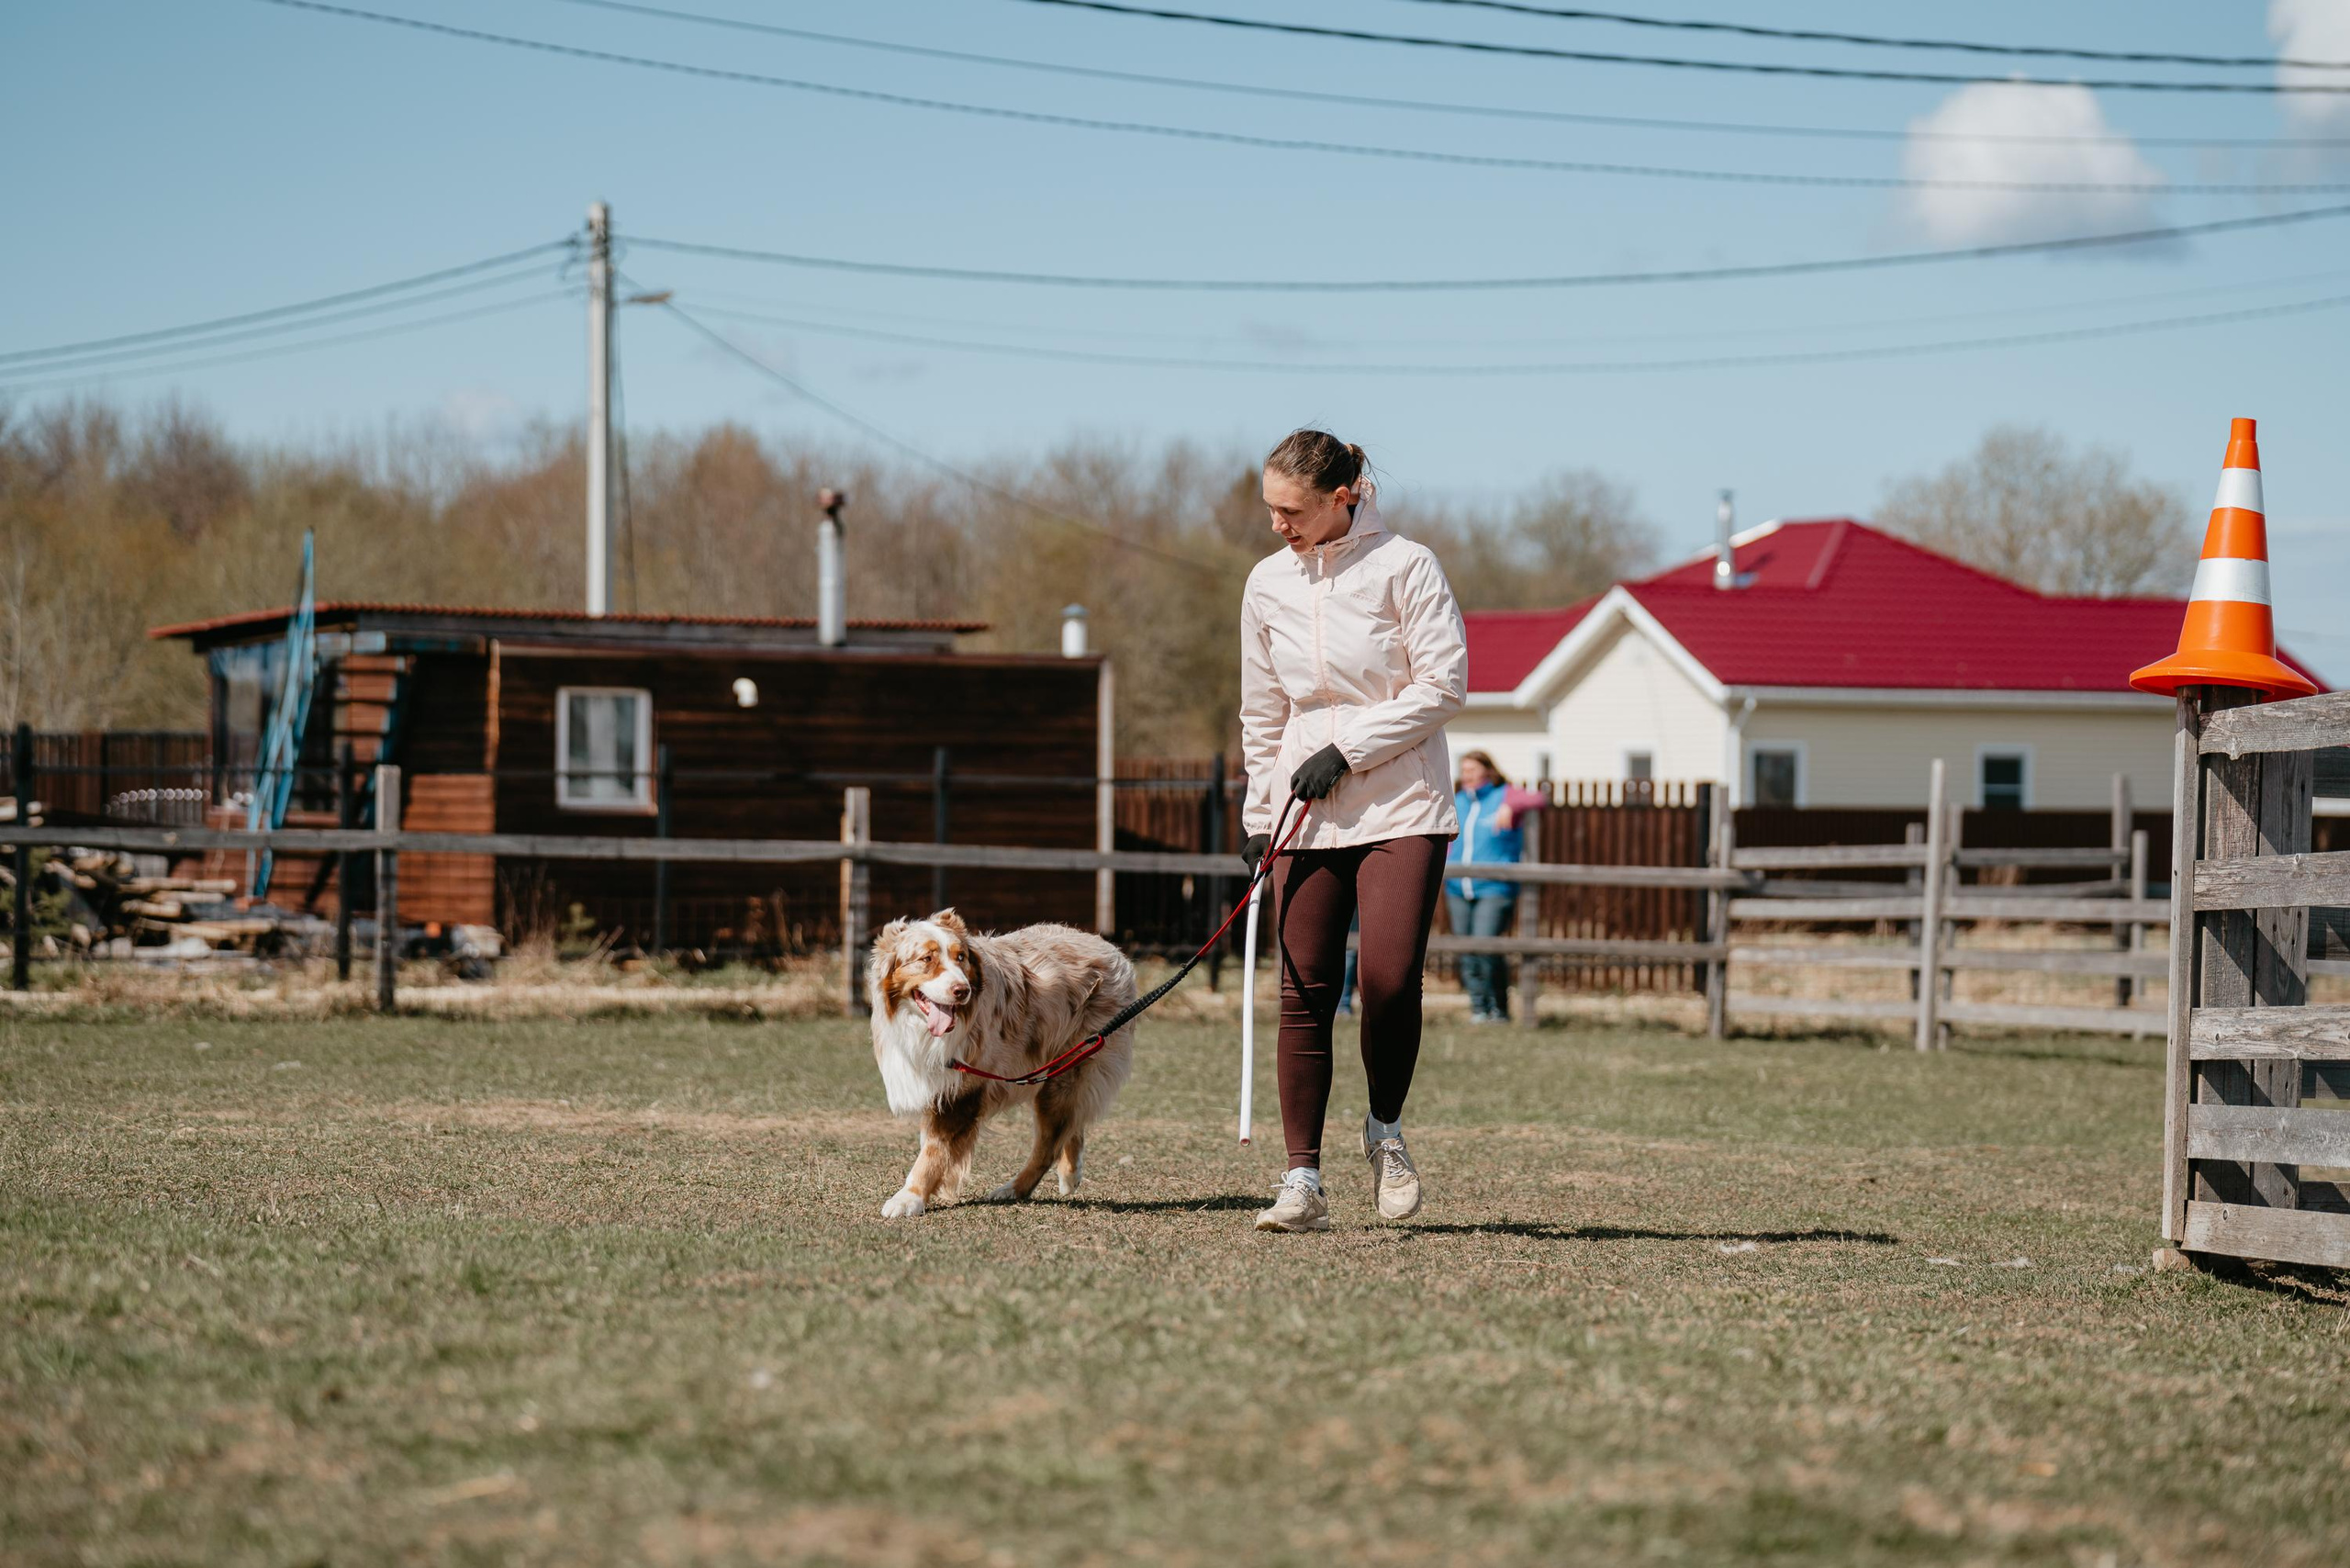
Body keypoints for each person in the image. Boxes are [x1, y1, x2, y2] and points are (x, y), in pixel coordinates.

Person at [1237, 430, 1468, 1233]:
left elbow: (1445, 685)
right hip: (1303, 807)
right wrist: (1257, 813)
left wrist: (1348, 748)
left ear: (1346, 496)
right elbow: (1263, 710)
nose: (1278, 526)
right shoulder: (1266, 584)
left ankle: (1386, 1132)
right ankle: (1302, 1179)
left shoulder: (1408, 565)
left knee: (1390, 980)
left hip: (1401, 801)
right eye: (1269, 509)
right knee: (1303, 991)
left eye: (1291, 510)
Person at [1446, 750, 1533, 1024]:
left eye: (1473, 769)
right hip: (1457, 887)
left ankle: (1499, 1008)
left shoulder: (1504, 795)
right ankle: (1478, 1008)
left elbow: (1538, 799)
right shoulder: (1457, 801)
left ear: (1488, 771)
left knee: (1486, 947)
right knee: (1467, 951)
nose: (1467, 775)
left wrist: (1511, 805)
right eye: (1464, 770)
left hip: (1494, 888)